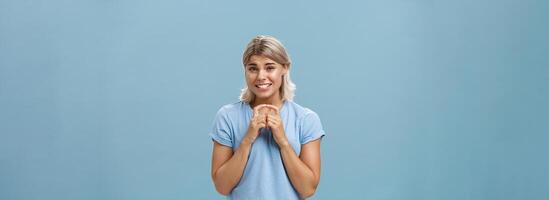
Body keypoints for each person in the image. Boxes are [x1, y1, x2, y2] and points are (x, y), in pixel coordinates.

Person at [210, 35, 325, 199]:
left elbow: (308, 189)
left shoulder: (306, 119)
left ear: (285, 68)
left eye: (270, 68)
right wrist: (248, 139)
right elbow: (222, 186)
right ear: (245, 70)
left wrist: (283, 141)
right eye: (253, 68)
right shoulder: (227, 117)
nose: (261, 76)